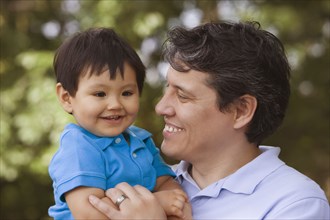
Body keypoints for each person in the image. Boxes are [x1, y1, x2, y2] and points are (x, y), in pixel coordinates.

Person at [88, 21, 330, 219]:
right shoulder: (149, 184)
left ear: (241, 110)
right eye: (167, 88)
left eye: (182, 96)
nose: (161, 107)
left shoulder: (296, 202)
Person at [48, 27, 192, 220]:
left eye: (126, 93)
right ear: (67, 98)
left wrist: (175, 203)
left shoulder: (141, 140)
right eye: (100, 94)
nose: (115, 105)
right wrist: (158, 203)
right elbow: (89, 213)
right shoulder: (78, 147)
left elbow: (168, 186)